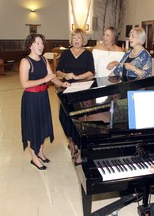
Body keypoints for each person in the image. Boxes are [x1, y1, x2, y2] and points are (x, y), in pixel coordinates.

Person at [20, 33, 70, 170]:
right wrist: (44, 79)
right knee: (32, 127)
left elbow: (52, 77)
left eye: (42, 43)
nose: (41, 46)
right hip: (31, 99)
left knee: (42, 124)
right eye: (37, 43)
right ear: (30, 45)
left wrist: (62, 84)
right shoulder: (25, 62)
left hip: (43, 96)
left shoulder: (43, 60)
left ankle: (40, 152)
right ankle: (34, 158)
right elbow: (24, 83)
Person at [56, 28, 95, 165]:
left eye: (79, 38)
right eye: (74, 38)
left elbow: (91, 72)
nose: (76, 40)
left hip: (83, 89)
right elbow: (58, 71)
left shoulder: (88, 54)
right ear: (71, 40)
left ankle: (81, 148)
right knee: (65, 117)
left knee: (80, 120)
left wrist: (78, 77)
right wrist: (65, 75)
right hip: (67, 87)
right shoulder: (66, 53)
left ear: (83, 40)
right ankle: (71, 143)